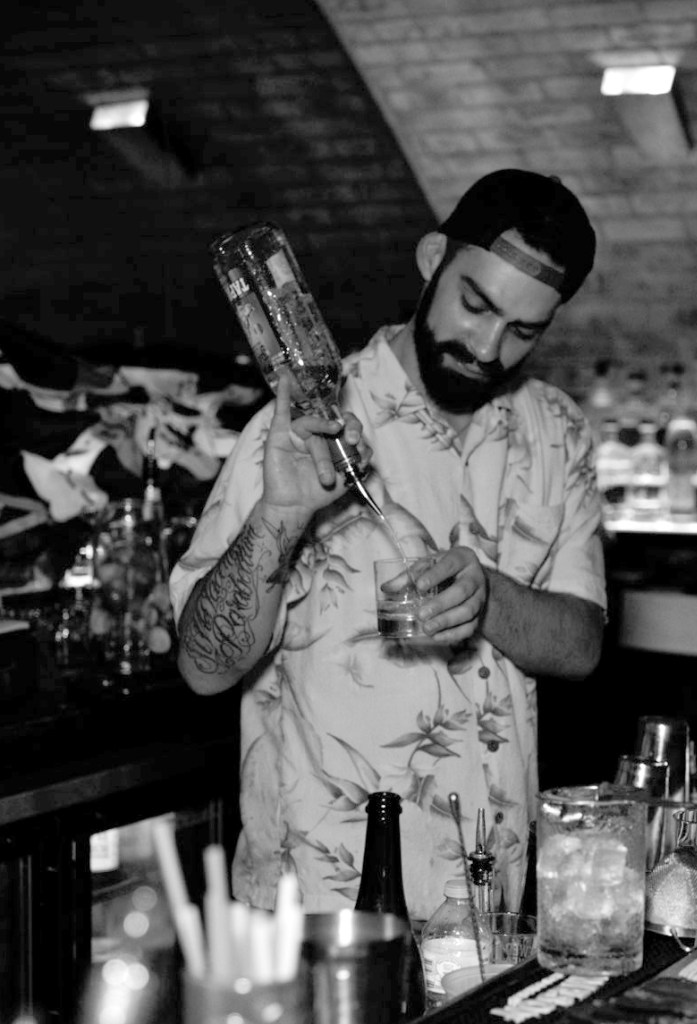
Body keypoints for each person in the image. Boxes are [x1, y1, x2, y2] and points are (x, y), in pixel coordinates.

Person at [169, 169, 606, 920]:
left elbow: (582, 645)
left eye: (525, 330)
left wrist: (488, 595)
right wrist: (279, 515)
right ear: (433, 257)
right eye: (475, 304)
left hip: (485, 918)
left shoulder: (556, 431)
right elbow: (204, 668)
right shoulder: (308, 425)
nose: (488, 346)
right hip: (315, 917)